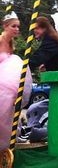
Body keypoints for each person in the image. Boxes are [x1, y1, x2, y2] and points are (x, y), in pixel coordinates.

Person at [0, 12, 32, 149]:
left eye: (18, 27)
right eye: (14, 26)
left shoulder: (11, 44)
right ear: (5, 26)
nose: (17, 29)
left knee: (7, 120)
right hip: (2, 87)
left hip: (9, 90)